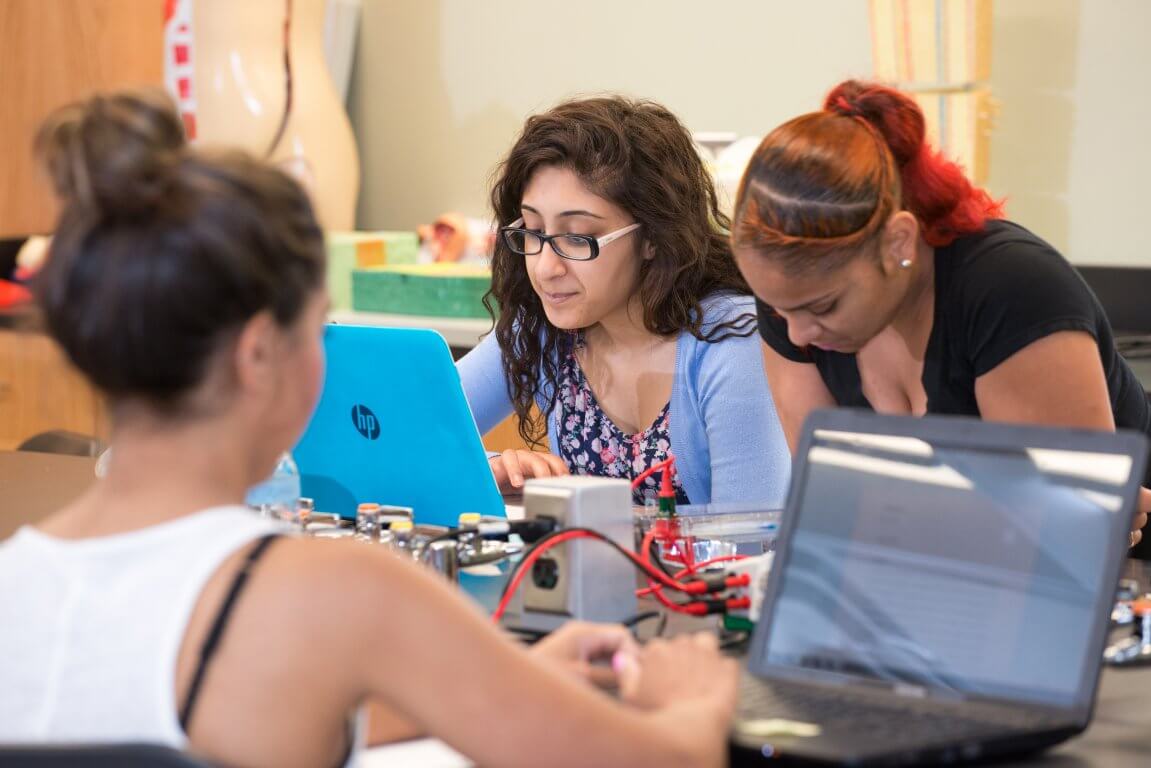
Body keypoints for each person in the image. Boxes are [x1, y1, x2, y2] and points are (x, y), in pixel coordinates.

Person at [0, 89, 738, 767]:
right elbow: (658, 760)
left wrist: (506, 679)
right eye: (318, 328)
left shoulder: (17, 578)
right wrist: (698, 701)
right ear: (261, 353)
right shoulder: (345, 589)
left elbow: (258, 714)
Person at [730, 79, 1151, 550]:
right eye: (777, 309)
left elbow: (1064, 540)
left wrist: (893, 513)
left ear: (899, 242)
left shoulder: (1011, 292)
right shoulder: (796, 307)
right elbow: (834, 510)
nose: (798, 333)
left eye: (823, 306)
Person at [459, 96, 791, 508]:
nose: (545, 268)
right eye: (531, 230)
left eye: (577, 238)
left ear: (652, 237)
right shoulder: (544, 328)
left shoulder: (730, 337)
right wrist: (490, 466)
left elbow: (753, 535)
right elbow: (405, 433)